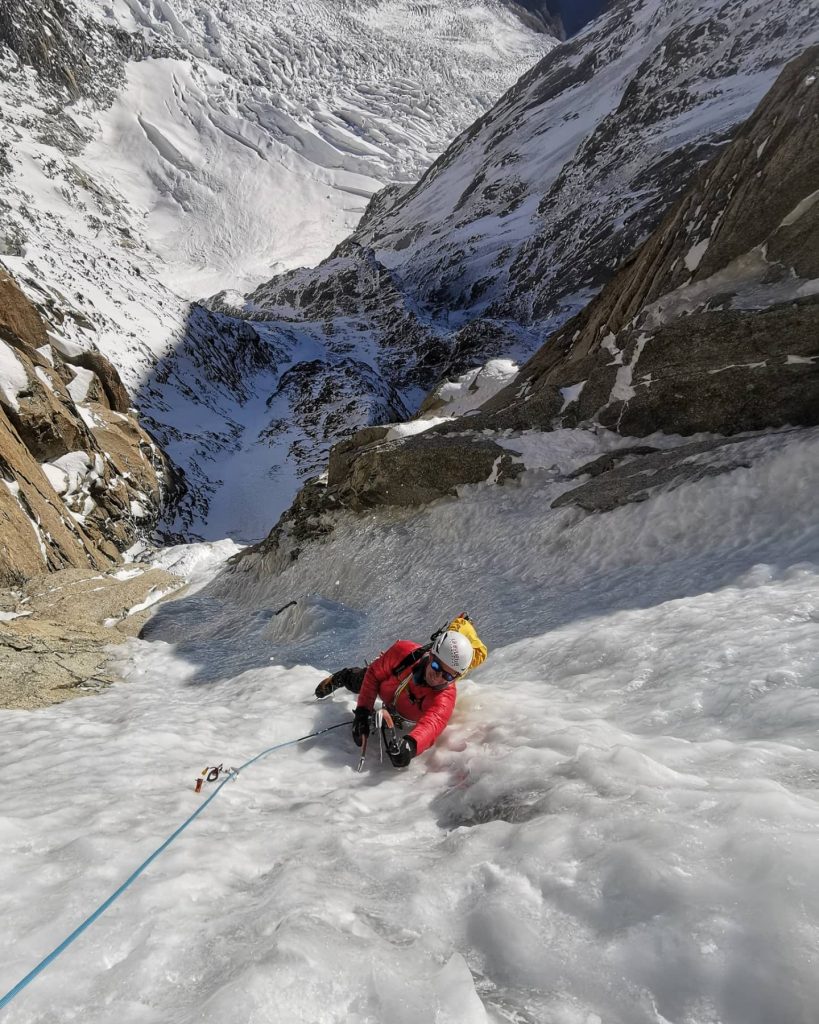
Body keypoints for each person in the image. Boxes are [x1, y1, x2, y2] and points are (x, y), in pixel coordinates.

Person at [315, 616, 487, 767]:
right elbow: (374, 674)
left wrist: (410, 746)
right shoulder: (404, 652)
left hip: (401, 709)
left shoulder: (445, 698)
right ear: (431, 654)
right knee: (360, 680)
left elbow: (432, 725)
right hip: (386, 686)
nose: (438, 677)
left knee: (395, 714)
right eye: (435, 666)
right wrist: (362, 711)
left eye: (448, 676)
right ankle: (341, 677)